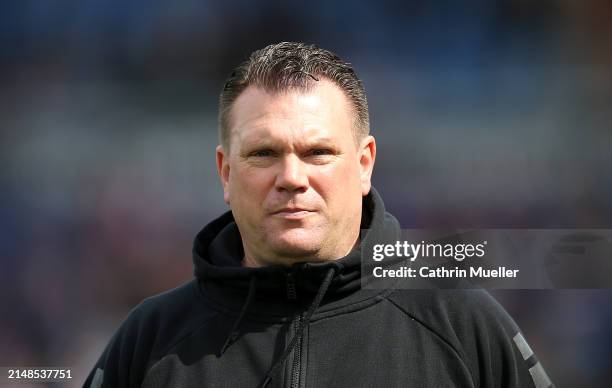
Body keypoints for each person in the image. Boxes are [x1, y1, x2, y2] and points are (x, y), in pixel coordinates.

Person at [85, 42, 553, 388]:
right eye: (264, 153)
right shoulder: (150, 340)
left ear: (364, 163)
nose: (292, 177)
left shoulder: (463, 324)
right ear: (225, 172)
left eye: (318, 152)